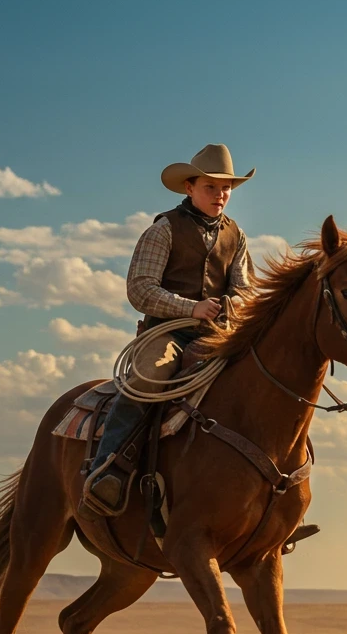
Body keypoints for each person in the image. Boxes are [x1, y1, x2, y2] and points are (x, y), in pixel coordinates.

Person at [82, 144, 257, 516]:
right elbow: (140, 288)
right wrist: (190, 308)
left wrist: (229, 307)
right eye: (211, 187)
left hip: (218, 335)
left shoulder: (235, 235)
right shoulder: (163, 230)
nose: (220, 195)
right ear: (189, 188)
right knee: (147, 378)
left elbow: (244, 288)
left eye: (226, 187)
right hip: (168, 333)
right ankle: (106, 469)